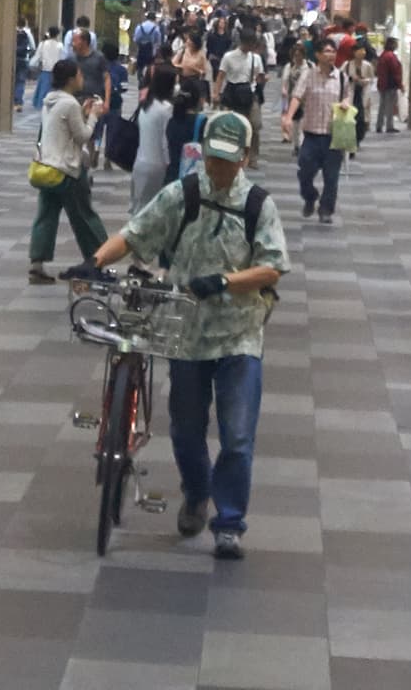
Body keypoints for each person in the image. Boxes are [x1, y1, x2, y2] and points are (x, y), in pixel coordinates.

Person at [95, 108, 290, 560]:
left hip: (240, 334)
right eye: (212, 158)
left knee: (238, 434)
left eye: (228, 160)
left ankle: (229, 523)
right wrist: (97, 259)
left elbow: (273, 267)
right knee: (185, 430)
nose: (218, 169)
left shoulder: (258, 204)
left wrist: (224, 281)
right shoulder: (182, 194)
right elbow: (135, 231)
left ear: (244, 157)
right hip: (185, 331)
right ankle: (197, 492)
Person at [27, 52, 109, 283]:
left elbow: (60, 130)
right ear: (71, 79)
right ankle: (100, 259)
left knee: (46, 215)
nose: (82, 77)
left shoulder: (49, 101)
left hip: (46, 168)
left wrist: (81, 114)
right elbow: (82, 136)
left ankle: (37, 263)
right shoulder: (70, 104)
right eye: (79, 74)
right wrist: (92, 116)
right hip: (67, 171)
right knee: (84, 216)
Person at [282, 41, 347, 223]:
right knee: (304, 173)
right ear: (317, 55)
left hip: (333, 136)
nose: (331, 55)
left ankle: (326, 209)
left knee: (331, 177)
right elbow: (296, 96)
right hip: (311, 135)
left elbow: (346, 95)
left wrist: (346, 103)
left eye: (333, 51)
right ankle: (310, 196)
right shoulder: (308, 76)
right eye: (326, 51)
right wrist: (288, 117)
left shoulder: (341, 77)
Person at [128, 61, 181, 208]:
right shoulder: (166, 109)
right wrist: (169, 163)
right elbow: (165, 141)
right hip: (157, 167)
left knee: (139, 209)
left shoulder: (146, 105)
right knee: (153, 210)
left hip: (140, 163)